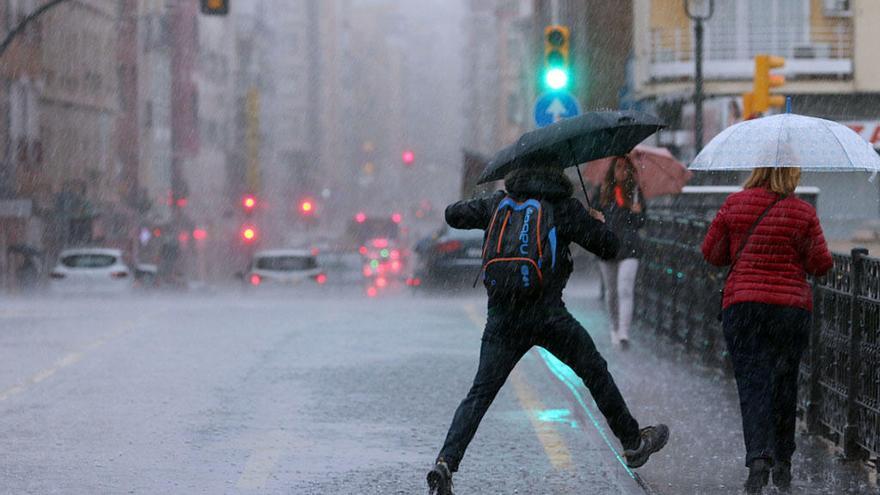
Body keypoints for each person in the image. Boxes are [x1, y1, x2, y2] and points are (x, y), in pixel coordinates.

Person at [427, 165, 668, 495]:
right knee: (594, 371)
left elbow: (453, 215)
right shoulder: (564, 207)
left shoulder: (500, 203)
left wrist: (487, 202)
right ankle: (632, 441)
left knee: (480, 394)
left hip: (503, 317)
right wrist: (597, 221)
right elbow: (610, 248)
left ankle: (445, 462)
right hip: (549, 315)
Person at [701, 167, 832, 494]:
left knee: (753, 383)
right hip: (790, 310)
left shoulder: (734, 204)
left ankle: (758, 457)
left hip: (744, 306)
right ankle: (784, 463)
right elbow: (820, 264)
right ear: (791, 175)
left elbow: (711, 253)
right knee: (785, 383)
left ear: (758, 171)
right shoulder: (803, 212)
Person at [595, 156, 646, 349]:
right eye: (619, 167)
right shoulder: (602, 191)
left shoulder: (634, 192)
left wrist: (637, 212)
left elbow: (642, 222)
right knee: (611, 292)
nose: (622, 171)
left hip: (629, 246)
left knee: (625, 289)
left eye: (626, 167)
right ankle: (614, 328)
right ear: (612, 169)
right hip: (607, 246)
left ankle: (624, 332)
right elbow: (592, 216)